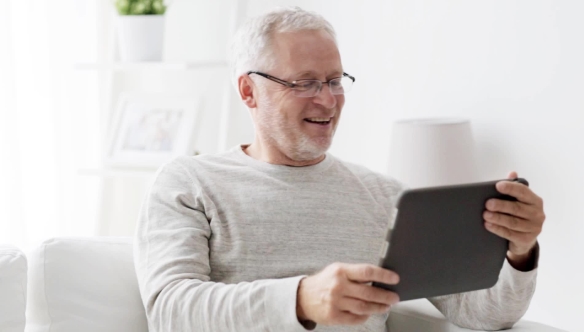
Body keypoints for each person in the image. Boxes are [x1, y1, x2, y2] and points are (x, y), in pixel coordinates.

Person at [134, 7, 545, 332]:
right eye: (305, 83)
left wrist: (519, 251)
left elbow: (484, 315)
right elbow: (171, 312)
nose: (328, 101)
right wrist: (301, 300)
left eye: (334, 80)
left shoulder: (386, 197)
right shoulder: (189, 183)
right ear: (248, 91)